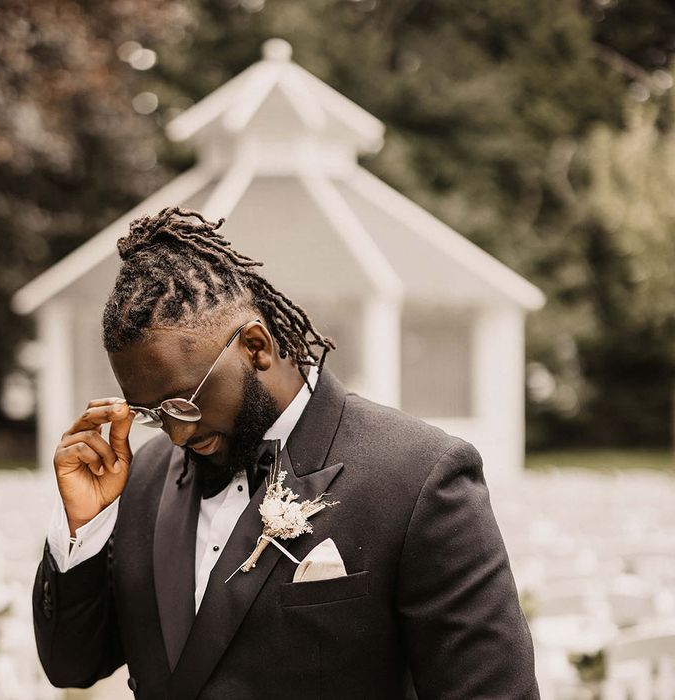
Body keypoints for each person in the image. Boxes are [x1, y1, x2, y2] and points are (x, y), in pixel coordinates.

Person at [33, 207, 539, 699]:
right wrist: (84, 530)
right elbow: (72, 666)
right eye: (151, 413)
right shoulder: (142, 477)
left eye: (182, 404)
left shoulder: (419, 477)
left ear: (256, 346)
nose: (175, 437)